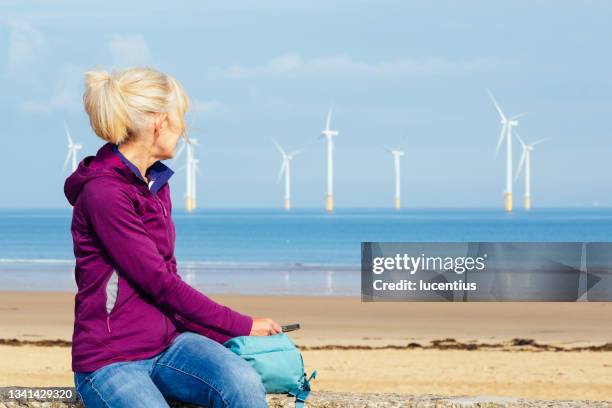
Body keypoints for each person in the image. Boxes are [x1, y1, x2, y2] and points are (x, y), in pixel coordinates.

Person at [64, 67, 280, 408]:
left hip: (168, 345)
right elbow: (159, 282)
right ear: (159, 122)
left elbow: (169, 274)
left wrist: (219, 336)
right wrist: (240, 324)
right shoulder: (105, 194)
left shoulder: (156, 184)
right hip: (111, 359)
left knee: (243, 381)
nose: (184, 129)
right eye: (181, 118)